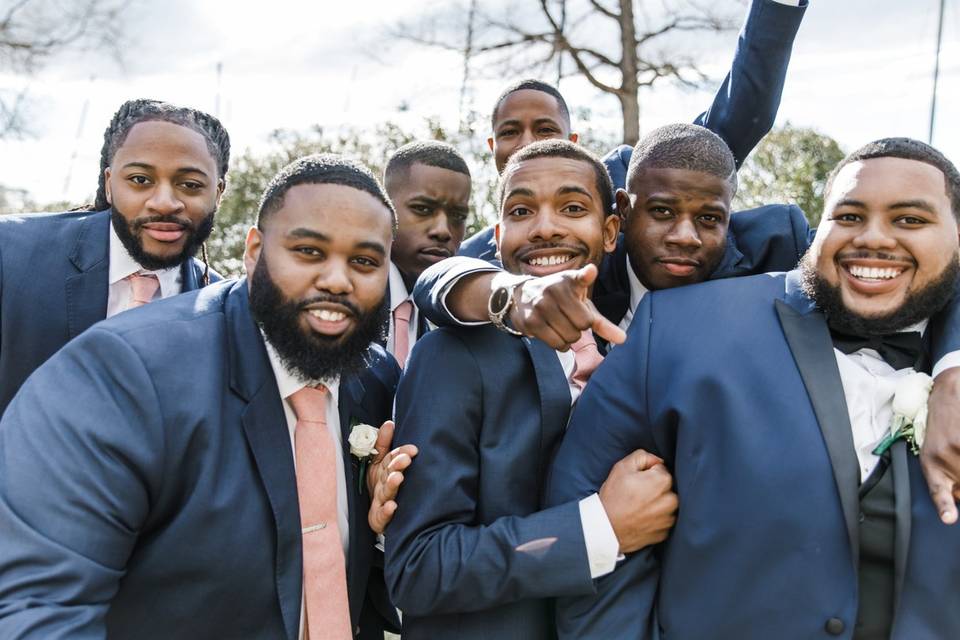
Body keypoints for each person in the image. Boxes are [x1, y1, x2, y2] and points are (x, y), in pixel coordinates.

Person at [545, 138, 960, 639]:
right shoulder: (677, 327)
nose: (873, 238)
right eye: (848, 216)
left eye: (910, 220)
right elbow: (584, 536)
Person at [0, 154, 416, 639]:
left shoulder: (375, 377)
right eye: (308, 251)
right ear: (255, 251)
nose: (338, 280)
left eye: (364, 262)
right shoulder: (123, 373)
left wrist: (384, 531)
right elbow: (39, 606)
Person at [385, 140, 678, 640]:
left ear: (610, 232)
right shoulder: (453, 357)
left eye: (572, 208)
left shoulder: (633, 358)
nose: (545, 227)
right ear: (498, 237)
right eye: (522, 211)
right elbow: (418, 568)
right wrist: (598, 529)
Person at [459, 0, 809, 260]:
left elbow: (733, 120)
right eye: (509, 132)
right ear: (491, 146)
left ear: (572, 141)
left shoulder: (622, 177)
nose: (526, 143)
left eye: (545, 129)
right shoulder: (477, 254)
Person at [0, 99, 227, 414]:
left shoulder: (223, 311)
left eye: (189, 185)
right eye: (140, 180)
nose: (164, 203)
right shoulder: (9, 253)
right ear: (109, 184)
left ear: (217, 194)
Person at [381, 140, 471, 365]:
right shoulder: (349, 296)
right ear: (384, 210)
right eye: (422, 209)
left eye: (458, 216)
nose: (443, 231)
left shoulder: (448, 317)